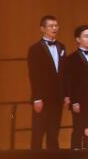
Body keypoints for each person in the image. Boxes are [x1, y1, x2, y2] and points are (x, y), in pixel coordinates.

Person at [28, 15, 66, 150]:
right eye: (51, 26)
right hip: (42, 98)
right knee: (38, 133)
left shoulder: (61, 46)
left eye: (56, 26)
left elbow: (63, 73)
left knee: (53, 133)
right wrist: (37, 98)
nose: (54, 28)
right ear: (42, 29)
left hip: (57, 98)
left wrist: (65, 95)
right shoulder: (35, 49)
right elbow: (34, 75)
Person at [62, 24, 88, 149]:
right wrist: (74, 101)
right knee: (79, 129)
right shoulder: (71, 59)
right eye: (86, 36)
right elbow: (70, 81)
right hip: (80, 101)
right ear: (78, 39)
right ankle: (75, 156)